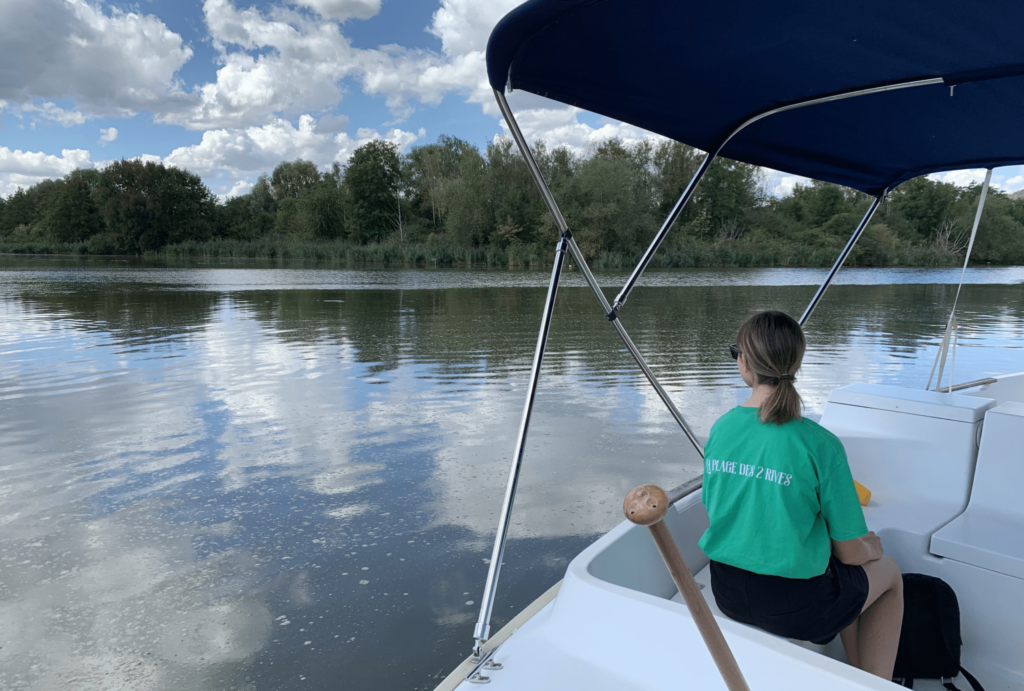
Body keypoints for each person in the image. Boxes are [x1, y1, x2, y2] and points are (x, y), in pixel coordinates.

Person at [699, 310, 904, 679]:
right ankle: (875, 682)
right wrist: (873, 549)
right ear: (795, 364)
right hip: (795, 607)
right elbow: (851, 551)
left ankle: (860, 677)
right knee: (888, 575)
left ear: (744, 362)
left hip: (727, 591)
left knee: (842, 575)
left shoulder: (721, 428)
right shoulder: (820, 444)